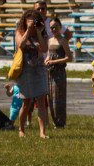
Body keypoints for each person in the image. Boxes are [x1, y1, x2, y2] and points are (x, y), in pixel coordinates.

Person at [13, 8, 51, 138]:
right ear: (25, 21)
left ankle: (42, 132)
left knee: (41, 100)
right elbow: (20, 45)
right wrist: (28, 30)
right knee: (26, 102)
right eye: (30, 21)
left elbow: (45, 48)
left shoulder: (42, 32)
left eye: (35, 21)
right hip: (25, 70)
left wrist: (39, 32)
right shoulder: (20, 31)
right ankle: (21, 128)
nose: (33, 24)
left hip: (39, 68)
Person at [45, 16, 73, 129]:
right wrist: (47, 60)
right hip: (49, 72)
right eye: (51, 28)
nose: (53, 30)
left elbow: (69, 57)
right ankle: (54, 121)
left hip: (59, 72)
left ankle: (60, 122)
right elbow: (48, 55)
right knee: (50, 97)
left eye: (56, 27)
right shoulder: (49, 40)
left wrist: (54, 61)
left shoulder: (63, 40)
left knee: (59, 98)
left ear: (60, 28)